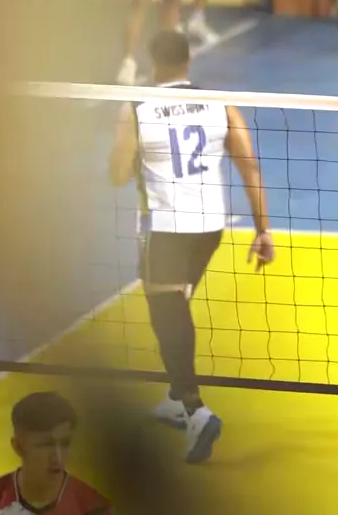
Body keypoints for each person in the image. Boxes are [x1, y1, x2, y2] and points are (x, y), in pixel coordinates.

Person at [109, 29, 274, 464]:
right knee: (177, 306)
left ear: (153, 63)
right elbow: (250, 168)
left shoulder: (137, 108)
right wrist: (264, 231)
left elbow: (118, 174)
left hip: (165, 230)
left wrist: (131, 154)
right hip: (209, 228)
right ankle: (173, 399)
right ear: (188, 59)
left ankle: (195, 409)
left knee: (167, 317)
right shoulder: (219, 103)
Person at [0, 392, 112, 514]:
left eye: (65, 443)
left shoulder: (94, 508)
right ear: (19, 447)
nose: (58, 458)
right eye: (46, 445)